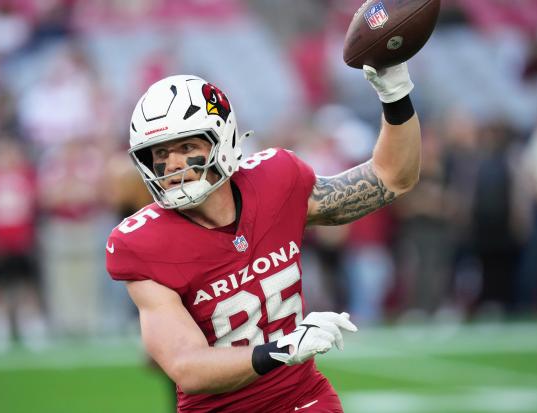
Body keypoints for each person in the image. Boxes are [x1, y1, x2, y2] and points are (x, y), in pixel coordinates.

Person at [106, 63, 421, 412]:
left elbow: (392, 178)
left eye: (186, 146)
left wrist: (396, 96)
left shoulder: (276, 182)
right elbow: (187, 366)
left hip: (304, 398)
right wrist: (283, 348)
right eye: (161, 154)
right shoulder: (142, 243)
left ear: (221, 139)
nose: (173, 165)